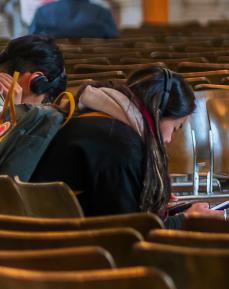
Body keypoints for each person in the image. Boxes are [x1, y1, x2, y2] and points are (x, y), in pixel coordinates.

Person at [30, 66, 215, 219]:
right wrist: (187, 219)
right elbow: (129, 229)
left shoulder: (98, 122)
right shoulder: (119, 143)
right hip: (70, 248)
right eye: (176, 127)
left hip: (44, 234)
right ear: (158, 112)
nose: (168, 140)